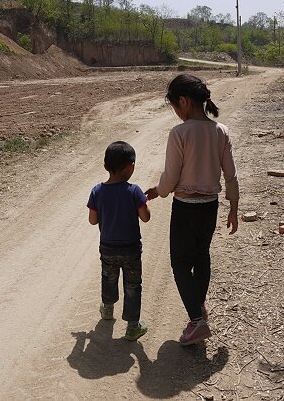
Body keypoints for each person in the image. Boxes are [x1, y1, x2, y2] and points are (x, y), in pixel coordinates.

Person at [145, 74, 239, 346]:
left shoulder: (180, 133)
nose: (176, 113)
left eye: (175, 106)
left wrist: (158, 191)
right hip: (210, 207)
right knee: (201, 257)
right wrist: (234, 206)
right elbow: (231, 175)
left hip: (185, 208)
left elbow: (171, 176)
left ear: (184, 102)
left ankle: (196, 321)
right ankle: (199, 308)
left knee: (180, 264)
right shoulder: (220, 131)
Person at [87, 141, 151, 341]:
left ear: (106, 167)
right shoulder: (134, 191)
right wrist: (143, 202)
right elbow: (146, 217)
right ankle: (133, 327)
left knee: (108, 278)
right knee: (132, 285)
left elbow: (92, 220)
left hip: (107, 248)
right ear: (131, 167)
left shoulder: (97, 191)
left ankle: (107, 309)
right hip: (131, 249)